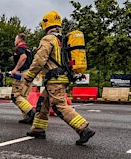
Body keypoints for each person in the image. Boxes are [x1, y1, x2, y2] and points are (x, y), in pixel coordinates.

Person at [24, 10, 95, 145]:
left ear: (45, 25)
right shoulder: (62, 40)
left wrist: (29, 77)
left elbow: (39, 60)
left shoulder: (48, 39)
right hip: (62, 77)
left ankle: (83, 128)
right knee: (43, 103)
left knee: (59, 105)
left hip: (55, 79)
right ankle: (38, 129)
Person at [10, 33, 35, 124]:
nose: (15, 41)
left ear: (19, 40)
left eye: (15, 39)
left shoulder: (19, 48)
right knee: (24, 96)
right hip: (29, 73)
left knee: (15, 96)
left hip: (22, 74)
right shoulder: (28, 49)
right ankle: (27, 117)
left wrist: (15, 69)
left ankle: (31, 112)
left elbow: (23, 57)